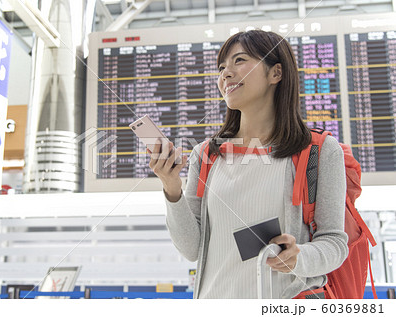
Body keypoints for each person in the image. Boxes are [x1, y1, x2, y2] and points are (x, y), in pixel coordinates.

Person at [147, 30, 348, 299]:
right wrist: (171, 188)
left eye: (239, 60)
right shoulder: (206, 155)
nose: (225, 74)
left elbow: (335, 242)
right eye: (221, 68)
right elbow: (192, 249)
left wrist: (301, 256)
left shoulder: (318, 152)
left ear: (275, 73)